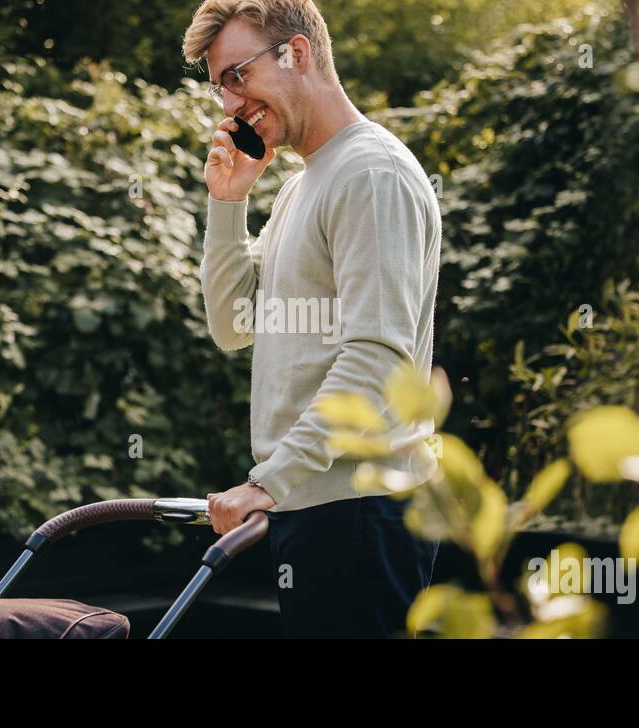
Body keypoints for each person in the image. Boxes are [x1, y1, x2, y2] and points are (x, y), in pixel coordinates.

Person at [183, 0, 442, 638]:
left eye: (237, 77)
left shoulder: (370, 174)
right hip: (316, 507)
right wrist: (227, 203)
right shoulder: (305, 182)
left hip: (361, 513)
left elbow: (378, 358)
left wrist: (269, 482)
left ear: (296, 53)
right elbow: (234, 322)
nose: (229, 105)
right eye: (220, 88)